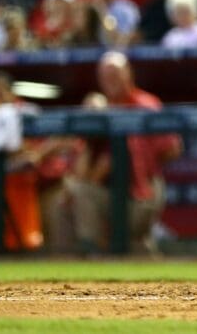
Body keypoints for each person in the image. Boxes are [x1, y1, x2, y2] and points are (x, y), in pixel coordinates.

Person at [67, 51, 182, 254]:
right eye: (105, 76)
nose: (110, 80)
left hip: (142, 191)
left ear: (128, 74)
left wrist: (148, 169)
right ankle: (85, 259)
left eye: (115, 74)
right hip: (110, 192)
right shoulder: (101, 110)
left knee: (134, 237)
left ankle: (100, 254)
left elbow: (172, 149)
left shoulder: (146, 105)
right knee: (73, 193)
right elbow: (84, 164)